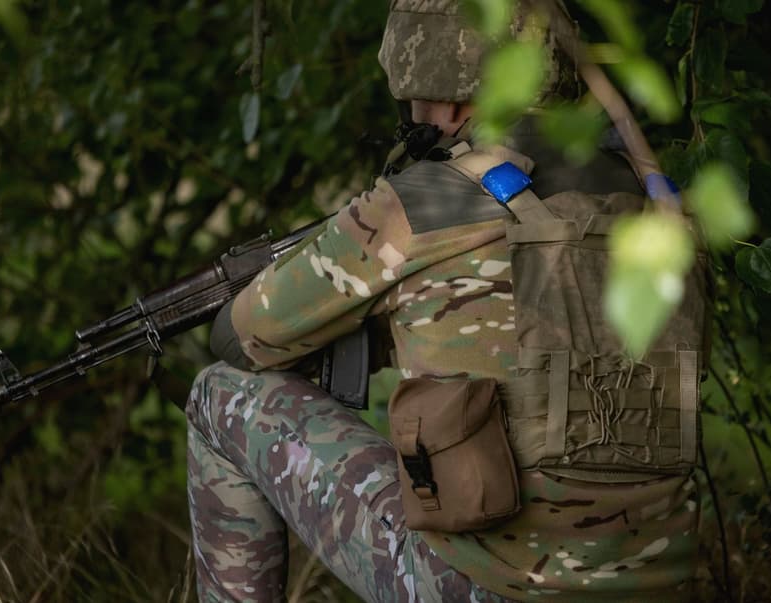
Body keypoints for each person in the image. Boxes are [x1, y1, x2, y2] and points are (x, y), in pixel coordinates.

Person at [184, 1, 701, 600]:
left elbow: (241, 338)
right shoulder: (658, 204)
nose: (413, 115)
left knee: (219, 395)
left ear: (453, 101)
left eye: (415, 101)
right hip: (658, 584)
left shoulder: (421, 202)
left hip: (484, 587)